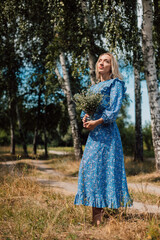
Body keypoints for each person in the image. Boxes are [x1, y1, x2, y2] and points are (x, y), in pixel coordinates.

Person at [74, 52, 133, 226]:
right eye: (100, 60)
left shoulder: (116, 84)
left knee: (107, 172)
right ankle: (97, 221)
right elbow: (86, 110)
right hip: (94, 137)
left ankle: (112, 221)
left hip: (108, 135)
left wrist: (97, 122)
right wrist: (85, 118)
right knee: (91, 171)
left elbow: (113, 111)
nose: (101, 63)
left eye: (106, 61)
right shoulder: (92, 89)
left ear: (111, 66)